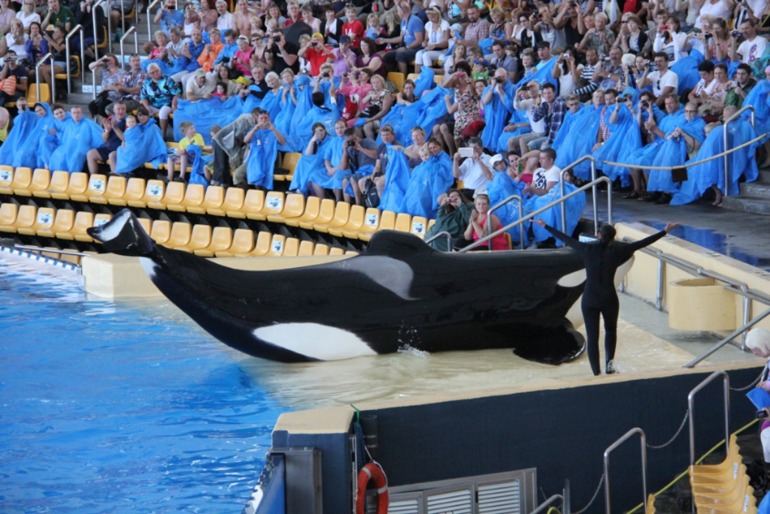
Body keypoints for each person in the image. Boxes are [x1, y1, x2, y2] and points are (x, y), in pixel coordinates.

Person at [534, 219, 679, 375]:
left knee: (593, 337)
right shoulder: (618, 251)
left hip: (590, 299)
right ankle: (609, 366)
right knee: (610, 331)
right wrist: (664, 231)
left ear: (598, 235)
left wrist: (545, 225)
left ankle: (596, 372)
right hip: (609, 299)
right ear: (612, 238)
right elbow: (642, 243)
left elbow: (566, 239)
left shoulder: (587, 249)